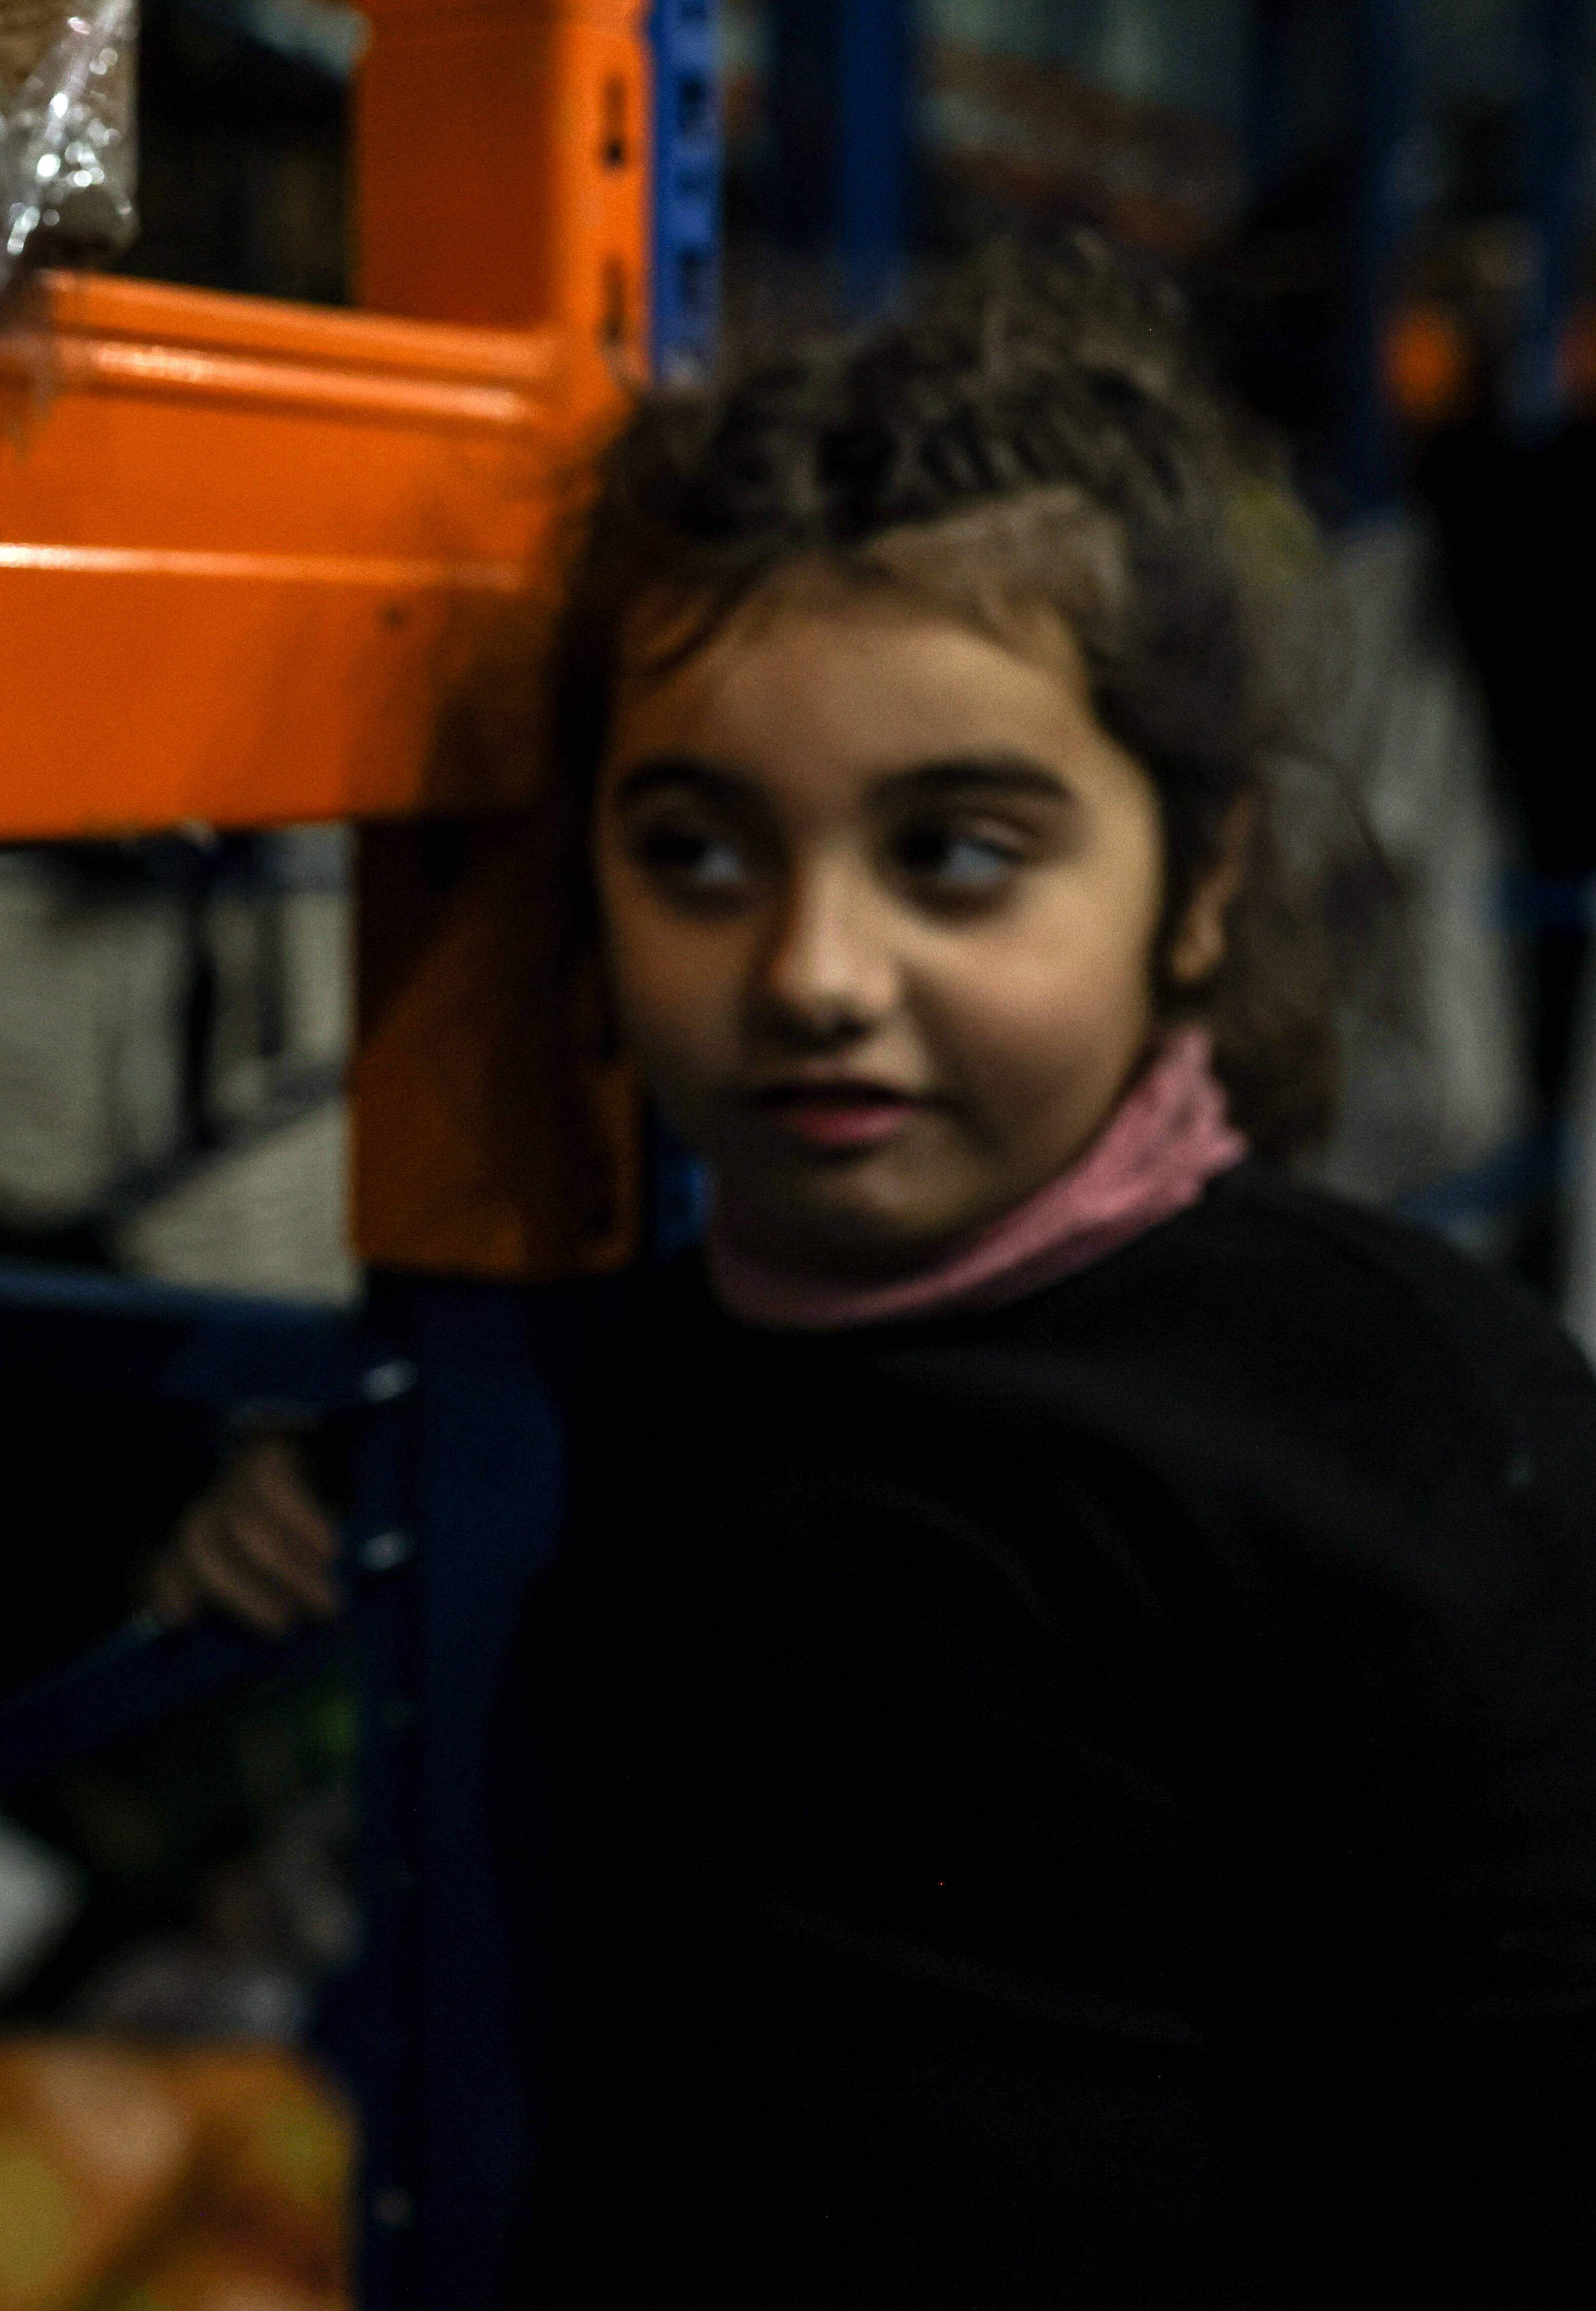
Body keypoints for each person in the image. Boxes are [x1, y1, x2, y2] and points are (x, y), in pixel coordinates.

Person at [158, 241, 1596, 2301]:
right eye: (698, 855)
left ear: (1195, 890)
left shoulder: (1429, 1442)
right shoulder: (614, 1389)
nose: (814, 976)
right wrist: (324, 1495)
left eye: (956, 855)